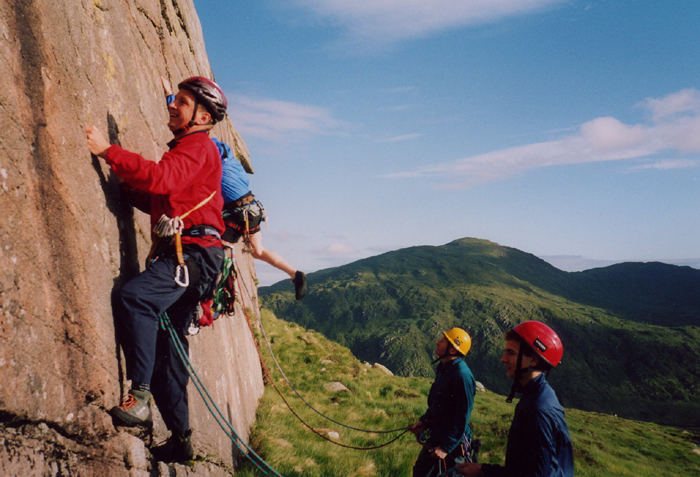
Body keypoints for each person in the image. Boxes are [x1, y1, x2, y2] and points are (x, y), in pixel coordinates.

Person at [86, 76, 229, 462]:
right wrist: (129, 191)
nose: (172, 106)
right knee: (169, 351)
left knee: (137, 298)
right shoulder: (194, 147)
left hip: (193, 256)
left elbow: (162, 179)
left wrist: (108, 152)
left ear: (201, 116)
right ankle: (182, 440)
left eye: (180, 102)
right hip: (195, 256)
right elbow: (166, 199)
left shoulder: (197, 146)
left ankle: (140, 396)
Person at [161, 77, 307, 301]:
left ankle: (205, 300)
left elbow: (190, 140)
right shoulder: (231, 159)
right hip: (253, 208)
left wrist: (171, 98)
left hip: (239, 212)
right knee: (258, 252)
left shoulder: (210, 151)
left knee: (214, 250)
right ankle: (294, 273)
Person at [454, 321, 574, 477]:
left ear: (534, 360)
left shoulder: (538, 409)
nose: (503, 359)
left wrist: (484, 471)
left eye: (511, 353)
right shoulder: (537, 395)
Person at [410, 328, 477, 477]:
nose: (437, 342)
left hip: (452, 443)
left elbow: (461, 417)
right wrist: (424, 422)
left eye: (443, 341)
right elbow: (437, 404)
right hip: (438, 434)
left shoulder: (462, 376)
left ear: (452, 350)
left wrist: (445, 448)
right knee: (420, 472)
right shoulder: (445, 369)